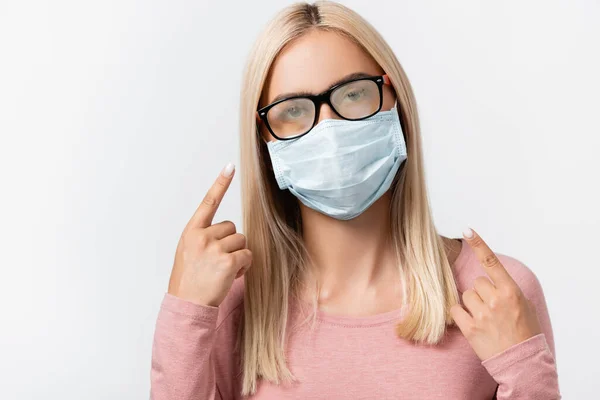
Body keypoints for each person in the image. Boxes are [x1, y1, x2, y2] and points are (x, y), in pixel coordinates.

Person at [150, 1, 560, 399]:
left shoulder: (494, 296)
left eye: (352, 94)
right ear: (265, 135)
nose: (328, 130)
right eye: (293, 109)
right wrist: (185, 313)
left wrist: (523, 369)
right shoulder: (230, 305)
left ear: (393, 99)